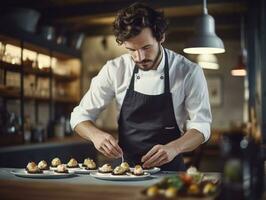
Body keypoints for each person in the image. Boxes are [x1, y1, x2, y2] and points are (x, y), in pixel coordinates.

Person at [70, 2, 212, 171]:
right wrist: (96, 135)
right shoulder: (115, 69)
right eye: (131, 49)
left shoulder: (188, 71)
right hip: (126, 173)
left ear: (161, 37)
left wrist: (175, 148)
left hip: (170, 173)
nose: (139, 57)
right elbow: (78, 116)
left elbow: (201, 127)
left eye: (146, 47)